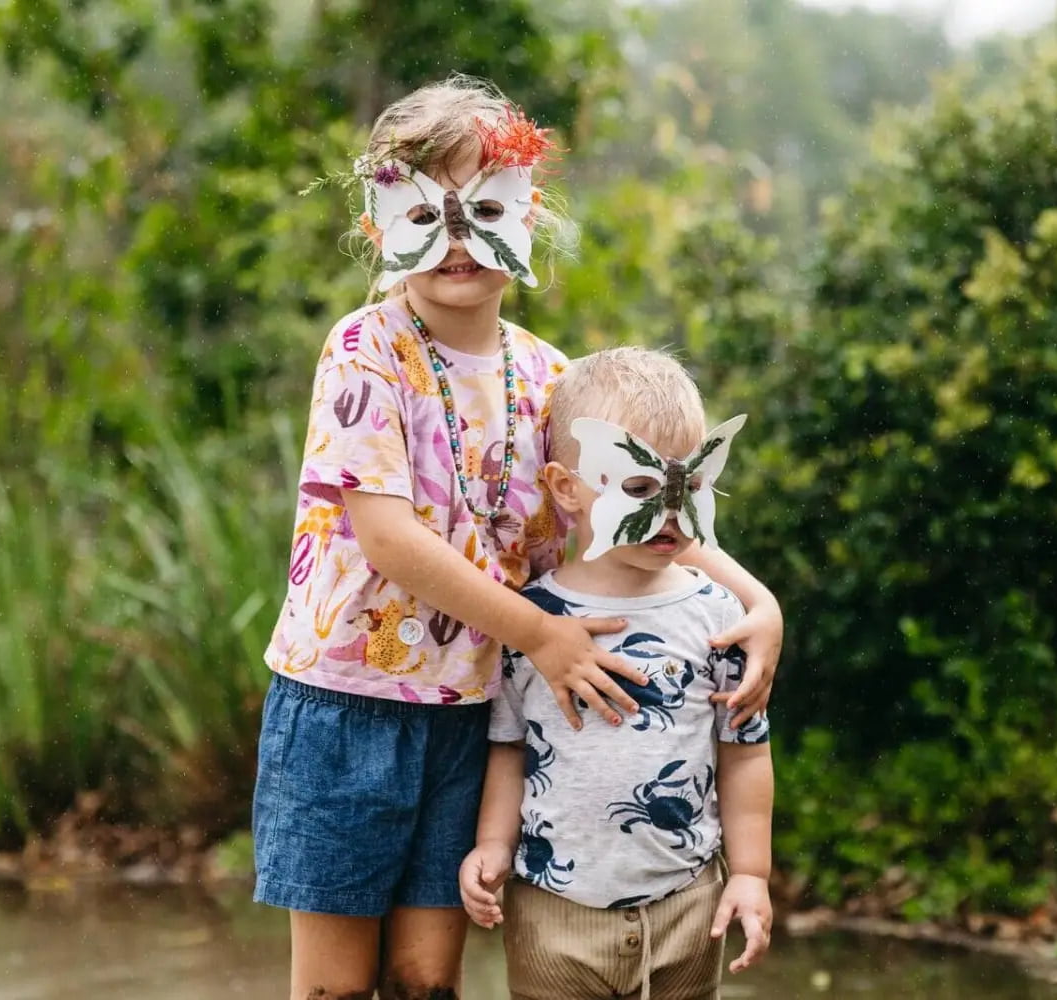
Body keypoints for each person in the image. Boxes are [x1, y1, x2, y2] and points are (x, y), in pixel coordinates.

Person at [252, 76, 783, 1000]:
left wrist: (756, 599)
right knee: (336, 986)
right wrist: (540, 632)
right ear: (380, 225)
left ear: (529, 217)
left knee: (426, 979)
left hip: (471, 714)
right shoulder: (364, 349)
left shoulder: (552, 377)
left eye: (486, 209)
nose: (458, 240)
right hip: (348, 709)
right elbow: (387, 536)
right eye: (427, 211)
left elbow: (639, 504)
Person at [459, 347, 775, 1000]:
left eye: (688, 484)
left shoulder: (719, 616)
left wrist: (751, 873)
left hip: (687, 901)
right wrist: (493, 843)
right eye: (638, 488)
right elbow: (509, 746)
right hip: (554, 909)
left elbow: (745, 751)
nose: (668, 510)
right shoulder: (532, 621)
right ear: (567, 487)